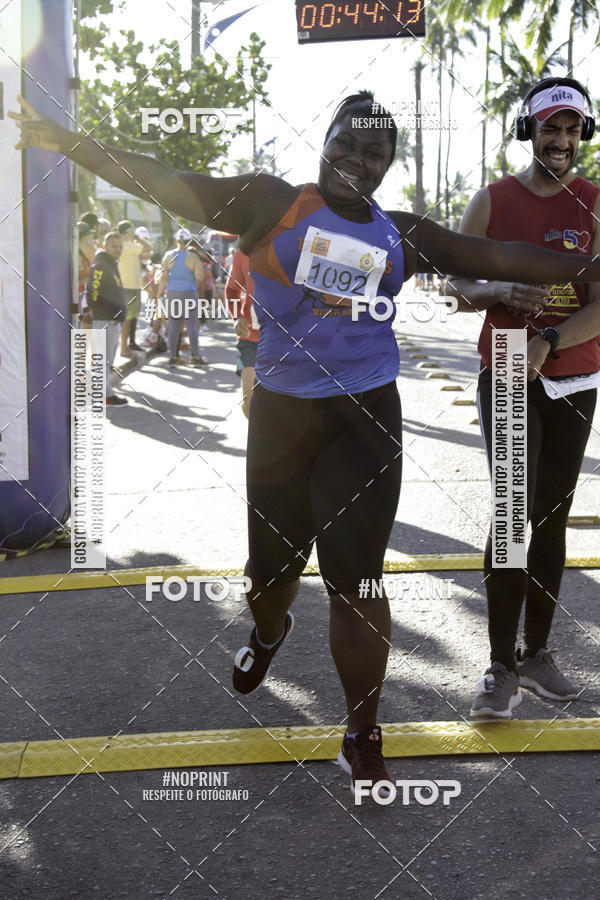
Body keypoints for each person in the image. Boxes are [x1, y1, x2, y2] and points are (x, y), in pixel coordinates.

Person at [13, 89, 600, 797]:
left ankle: (362, 732)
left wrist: (580, 270)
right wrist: (66, 141)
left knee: (360, 579)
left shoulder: (399, 233)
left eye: (374, 152)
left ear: (388, 165)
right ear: (324, 142)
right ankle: (267, 634)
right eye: (346, 144)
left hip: (367, 421)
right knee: (270, 580)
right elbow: (159, 178)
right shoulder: (269, 203)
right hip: (284, 423)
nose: (358, 159)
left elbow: (500, 253)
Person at [445, 77, 600, 719]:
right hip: (506, 366)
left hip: (575, 372)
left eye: (571, 130)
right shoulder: (492, 200)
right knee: (511, 519)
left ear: (582, 136)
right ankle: (500, 666)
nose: (560, 141)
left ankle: (538, 657)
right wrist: (496, 293)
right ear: (528, 132)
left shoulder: (596, 204)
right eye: (549, 128)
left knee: (553, 517)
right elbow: (455, 279)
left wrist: (552, 339)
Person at [85, 231, 128, 407]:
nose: (117, 249)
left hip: (112, 319)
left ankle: (103, 392)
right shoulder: (101, 264)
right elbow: (92, 292)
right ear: (105, 246)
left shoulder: (110, 263)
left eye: (120, 246)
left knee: (106, 360)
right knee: (102, 360)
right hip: (105, 319)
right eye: (114, 246)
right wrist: (100, 312)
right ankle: (104, 395)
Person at [157, 228, 207, 367]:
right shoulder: (193, 257)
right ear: (190, 240)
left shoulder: (168, 256)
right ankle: (195, 356)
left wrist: (157, 296)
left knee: (173, 325)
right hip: (189, 293)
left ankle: (173, 357)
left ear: (176, 240)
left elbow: (163, 278)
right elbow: (200, 278)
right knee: (192, 326)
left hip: (172, 293)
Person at [225, 248, 259, 418]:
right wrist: (237, 317)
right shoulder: (244, 252)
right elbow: (232, 290)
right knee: (249, 403)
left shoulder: (291, 242)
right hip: (251, 337)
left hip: (285, 340)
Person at [117, 219, 152, 356]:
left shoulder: (128, 244)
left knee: (131, 318)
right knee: (127, 318)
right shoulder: (126, 245)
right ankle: (124, 349)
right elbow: (148, 246)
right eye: (131, 230)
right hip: (128, 286)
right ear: (126, 232)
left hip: (132, 286)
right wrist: (137, 238)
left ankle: (128, 346)